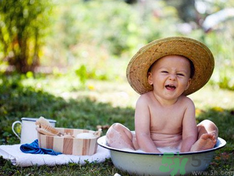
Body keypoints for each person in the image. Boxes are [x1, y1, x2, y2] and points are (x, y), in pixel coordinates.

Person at [106, 37, 218, 153]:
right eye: (165, 72)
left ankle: (196, 150)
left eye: (180, 74)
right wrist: (157, 156)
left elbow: (189, 136)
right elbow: (142, 135)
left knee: (209, 125)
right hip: (146, 148)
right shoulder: (145, 101)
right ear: (151, 78)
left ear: (187, 83)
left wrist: (184, 154)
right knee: (115, 129)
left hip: (179, 148)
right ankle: (128, 152)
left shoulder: (186, 104)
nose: (172, 77)